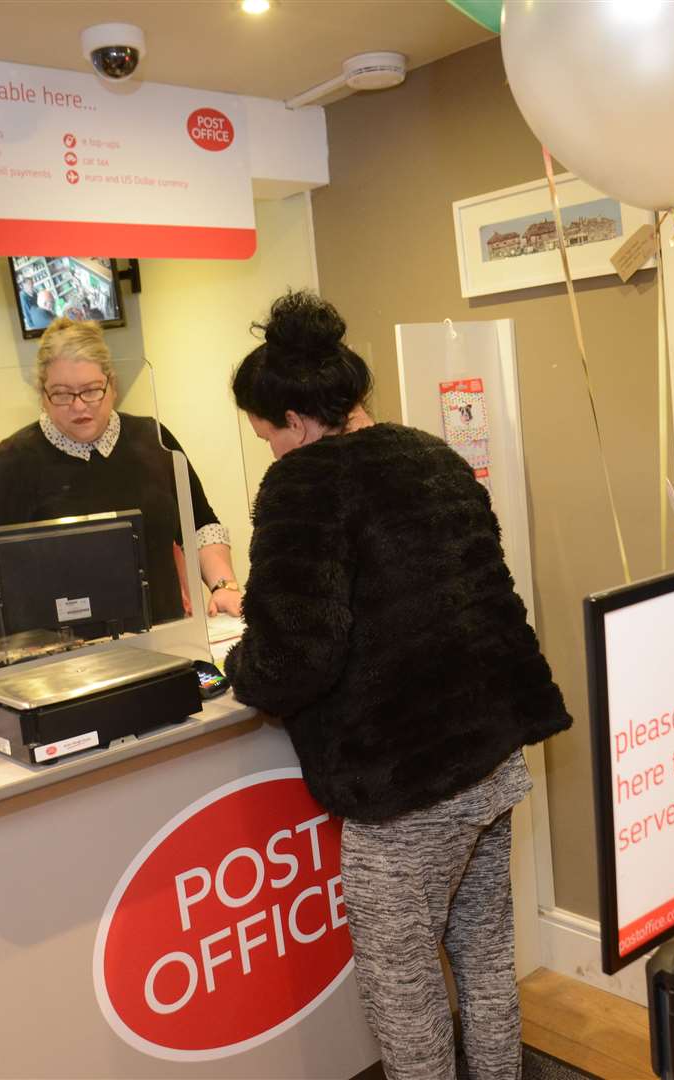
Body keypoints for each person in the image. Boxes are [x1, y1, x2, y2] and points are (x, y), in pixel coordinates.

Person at [224, 291, 572, 1080]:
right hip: (490, 759)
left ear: (297, 418)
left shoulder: (305, 486)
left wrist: (238, 668)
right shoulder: (432, 454)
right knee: (485, 962)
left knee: (406, 998)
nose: (272, 452)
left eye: (268, 436)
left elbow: (293, 659)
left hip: (404, 789)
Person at [0, 317, 243, 630]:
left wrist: (224, 587)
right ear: (42, 395)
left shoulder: (153, 439)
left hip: (165, 637)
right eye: (62, 394)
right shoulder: (12, 460)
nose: (79, 406)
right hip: (65, 657)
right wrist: (25, 637)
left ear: (112, 385)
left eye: (91, 390)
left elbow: (201, 527)